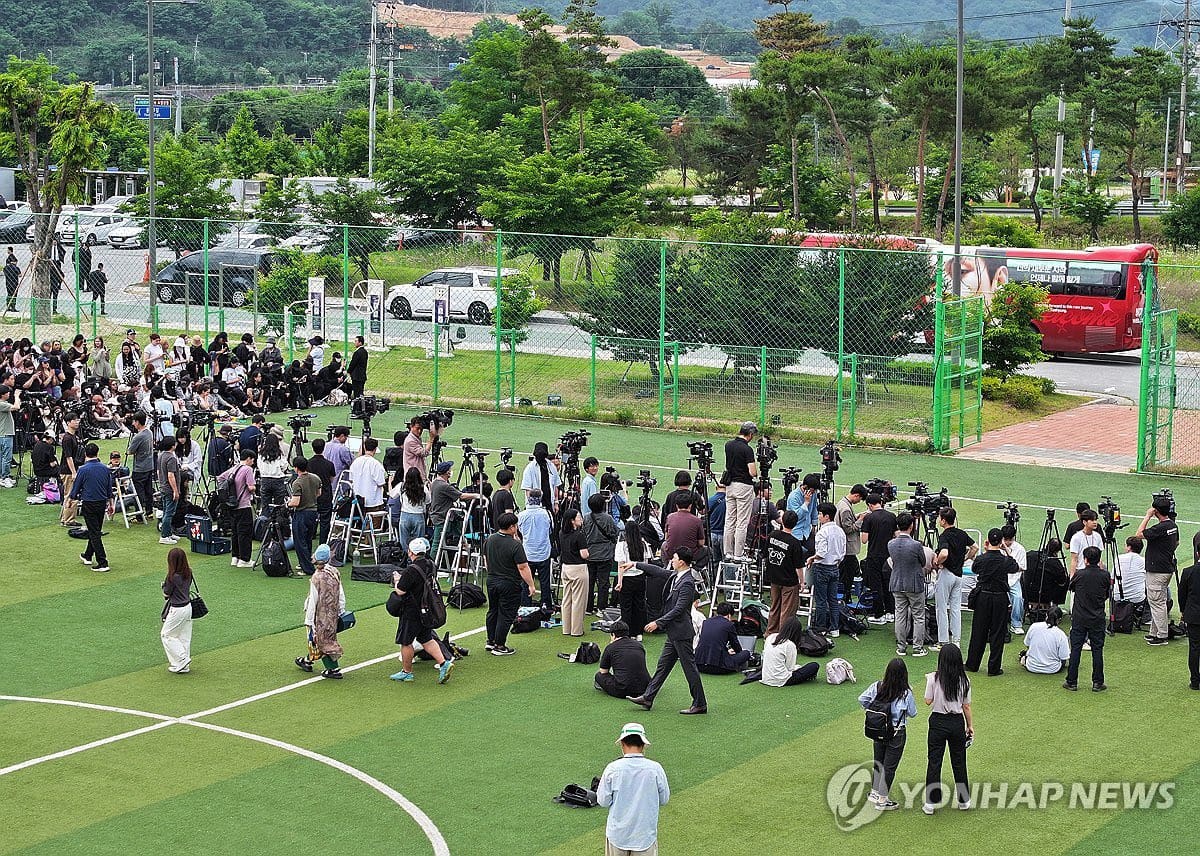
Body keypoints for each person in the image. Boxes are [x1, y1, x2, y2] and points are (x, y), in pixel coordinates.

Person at [628, 546, 708, 715]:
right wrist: (636, 564)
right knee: (663, 666)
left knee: (690, 669)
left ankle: (700, 703)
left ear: (681, 562)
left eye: (674, 557)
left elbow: (679, 609)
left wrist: (658, 622)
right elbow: (657, 571)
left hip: (681, 632)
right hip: (674, 632)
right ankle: (648, 697)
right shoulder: (676, 576)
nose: (671, 559)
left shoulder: (687, 582)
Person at [388, 538, 454, 684]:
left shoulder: (411, 570)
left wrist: (398, 579)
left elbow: (400, 591)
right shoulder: (431, 564)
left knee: (406, 642)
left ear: (411, 552)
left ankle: (407, 672)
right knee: (426, 638)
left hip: (412, 611)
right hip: (427, 609)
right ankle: (444, 663)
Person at [596, 723, 669, 856]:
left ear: (622, 743)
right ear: (643, 745)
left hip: (617, 835)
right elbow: (664, 800)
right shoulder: (655, 768)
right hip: (644, 836)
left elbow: (603, 801)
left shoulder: (612, 768)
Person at [858, 658, 918, 810]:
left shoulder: (877, 686)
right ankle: (882, 800)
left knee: (879, 761)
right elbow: (913, 713)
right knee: (889, 767)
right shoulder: (906, 693)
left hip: (879, 729)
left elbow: (862, 699)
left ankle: (874, 792)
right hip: (897, 733)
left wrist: (872, 710)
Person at [923, 643, 973, 814]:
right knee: (959, 761)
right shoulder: (965, 680)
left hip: (937, 722)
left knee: (934, 761)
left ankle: (930, 803)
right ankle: (964, 800)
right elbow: (966, 706)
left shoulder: (933, 678)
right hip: (956, 722)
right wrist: (970, 726)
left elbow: (927, 701)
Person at [965, 529, 1019, 677]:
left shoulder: (982, 559)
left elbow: (975, 568)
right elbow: (1015, 566)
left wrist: (985, 550)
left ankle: (972, 663)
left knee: (978, 631)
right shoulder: (1005, 560)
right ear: (1001, 541)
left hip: (983, 596)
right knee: (998, 632)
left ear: (988, 541)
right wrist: (1007, 550)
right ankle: (994, 668)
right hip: (1000, 598)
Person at [483, 512, 537, 656]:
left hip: (492, 581)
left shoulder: (490, 540)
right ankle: (500, 645)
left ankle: (491, 640)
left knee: (493, 610)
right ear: (512, 527)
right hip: (508, 583)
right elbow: (523, 567)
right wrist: (531, 585)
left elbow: (486, 561)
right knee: (506, 614)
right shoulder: (515, 545)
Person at [1064, 546, 1112, 692]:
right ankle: (1097, 682)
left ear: (1085, 560)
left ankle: (1072, 681)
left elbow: (1070, 587)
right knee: (1097, 650)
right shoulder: (1105, 575)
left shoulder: (1079, 575)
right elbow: (1106, 594)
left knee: (1076, 649)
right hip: (1097, 617)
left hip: (1080, 617)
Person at [296, 544, 345, 679]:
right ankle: (307, 660)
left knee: (321, 641)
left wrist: (309, 619)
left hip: (320, 616)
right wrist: (341, 610)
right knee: (326, 639)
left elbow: (313, 600)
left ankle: (333, 669)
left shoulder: (316, 577)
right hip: (332, 613)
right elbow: (341, 594)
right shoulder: (335, 572)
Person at [1136, 497, 1179, 646]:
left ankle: (1161, 635)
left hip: (1157, 570)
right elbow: (1177, 543)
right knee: (1157, 601)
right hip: (1166, 568)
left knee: (1157, 602)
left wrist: (1147, 516)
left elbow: (1139, 534)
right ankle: (1154, 632)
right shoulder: (1172, 525)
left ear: (1156, 511)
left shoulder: (1160, 528)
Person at [933, 507, 976, 649]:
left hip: (946, 574)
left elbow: (944, 553)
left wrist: (937, 562)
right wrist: (963, 559)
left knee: (941, 608)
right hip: (958, 575)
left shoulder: (944, 536)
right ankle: (956, 640)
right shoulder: (962, 534)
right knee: (955, 608)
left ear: (943, 520)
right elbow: (974, 548)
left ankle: (943, 641)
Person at [889, 512, 930, 658]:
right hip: (913, 584)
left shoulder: (891, 544)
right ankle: (918, 648)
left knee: (900, 615)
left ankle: (901, 647)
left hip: (897, 583)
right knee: (918, 616)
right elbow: (923, 562)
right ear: (911, 526)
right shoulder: (916, 545)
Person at [71, 442, 114, 573]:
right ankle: (88, 555)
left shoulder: (83, 470)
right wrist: (111, 503)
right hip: (101, 503)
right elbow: (109, 489)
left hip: (89, 503)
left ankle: (102, 561)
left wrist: (70, 500)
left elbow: (76, 489)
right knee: (94, 529)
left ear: (85, 454)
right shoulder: (105, 468)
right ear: (97, 453)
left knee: (94, 532)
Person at [742, 616, 820, 686]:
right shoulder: (790, 645)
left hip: (765, 677)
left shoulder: (771, 637)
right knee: (814, 665)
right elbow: (790, 668)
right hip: (782, 680)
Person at [806, 502, 846, 637]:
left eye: (820, 514)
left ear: (827, 516)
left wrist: (812, 558)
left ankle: (821, 628)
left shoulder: (822, 532)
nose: (818, 517)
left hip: (822, 568)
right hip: (834, 568)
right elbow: (843, 553)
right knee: (833, 599)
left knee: (821, 600)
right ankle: (835, 629)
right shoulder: (840, 531)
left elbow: (821, 553)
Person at [764, 510, 805, 637]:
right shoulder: (794, 542)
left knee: (774, 607)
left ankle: (770, 633)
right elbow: (799, 566)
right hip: (789, 581)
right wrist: (802, 582)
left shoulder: (772, 535)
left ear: (782, 520)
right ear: (796, 524)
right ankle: (782, 636)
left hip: (774, 577)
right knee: (787, 611)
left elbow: (765, 555)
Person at [722, 421, 758, 558]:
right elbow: (752, 472)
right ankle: (738, 553)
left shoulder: (728, 445)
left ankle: (728, 552)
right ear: (750, 434)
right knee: (741, 522)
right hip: (744, 486)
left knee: (729, 520)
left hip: (730, 485)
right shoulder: (747, 449)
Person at [428, 460, 480, 554]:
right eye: (450, 469)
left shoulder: (435, 482)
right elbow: (461, 496)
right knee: (437, 544)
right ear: (447, 472)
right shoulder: (443, 486)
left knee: (457, 535)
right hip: (442, 517)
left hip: (441, 516)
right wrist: (477, 495)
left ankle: (464, 546)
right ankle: (431, 564)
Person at [861, 493, 898, 624]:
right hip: (889, 556)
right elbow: (897, 535)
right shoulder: (892, 516)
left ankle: (879, 614)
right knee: (888, 583)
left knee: (876, 585)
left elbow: (864, 540)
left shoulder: (869, 518)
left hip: (873, 556)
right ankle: (891, 612)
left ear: (870, 505)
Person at [518, 489, 555, 610]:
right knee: (545, 582)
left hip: (528, 553)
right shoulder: (546, 514)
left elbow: (520, 532)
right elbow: (551, 530)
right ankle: (546, 606)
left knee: (526, 582)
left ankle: (525, 606)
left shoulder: (522, 515)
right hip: (543, 552)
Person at [160, 547, 195, 674]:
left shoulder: (171, 577)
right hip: (188, 607)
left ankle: (182, 658)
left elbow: (166, 593)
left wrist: (163, 587)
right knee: (184, 636)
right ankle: (181, 665)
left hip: (177, 609)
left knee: (167, 634)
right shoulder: (188, 572)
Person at [596, 621, 650, 699]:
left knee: (599, 676)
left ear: (613, 635)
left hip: (622, 689)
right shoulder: (639, 645)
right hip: (645, 688)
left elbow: (603, 671)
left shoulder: (610, 648)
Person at [584, 492, 619, 614]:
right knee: (603, 582)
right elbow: (615, 533)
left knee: (589, 581)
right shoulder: (607, 518)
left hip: (589, 554)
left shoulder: (586, 518)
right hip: (605, 554)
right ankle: (601, 607)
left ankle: (588, 607)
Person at [694, 602, 752, 675]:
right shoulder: (729, 625)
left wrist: (727, 651)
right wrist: (738, 653)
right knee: (746, 653)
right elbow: (735, 645)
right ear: (729, 615)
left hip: (698, 664)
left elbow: (711, 641)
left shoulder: (706, 622)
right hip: (718, 667)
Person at [222, 449, 257, 568]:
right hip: (243, 505)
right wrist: (253, 489)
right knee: (245, 533)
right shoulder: (248, 470)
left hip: (232, 505)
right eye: (252, 460)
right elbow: (251, 487)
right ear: (248, 458)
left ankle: (235, 557)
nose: (253, 462)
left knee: (235, 532)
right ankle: (245, 559)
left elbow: (220, 478)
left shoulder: (234, 468)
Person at [288, 456, 322, 576]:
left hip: (302, 513)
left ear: (296, 468)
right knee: (308, 539)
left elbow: (296, 502)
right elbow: (319, 493)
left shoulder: (297, 483)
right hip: (313, 512)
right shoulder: (315, 478)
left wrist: (288, 503)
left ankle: (306, 567)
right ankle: (307, 562)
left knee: (300, 541)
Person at [560, 507, 591, 637]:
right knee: (579, 600)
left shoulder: (562, 533)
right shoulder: (579, 535)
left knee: (567, 599)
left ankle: (566, 628)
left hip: (566, 568)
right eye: (578, 517)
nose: (581, 519)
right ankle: (577, 630)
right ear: (573, 521)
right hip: (578, 568)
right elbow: (584, 554)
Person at [835, 484, 867, 600]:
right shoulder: (846, 509)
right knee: (848, 575)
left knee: (848, 572)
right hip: (848, 547)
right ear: (856, 495)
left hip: (845, 547)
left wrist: (857, 517)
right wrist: (860, 521)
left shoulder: (843, 503)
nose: (859, 502)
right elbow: (848, 529)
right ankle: (846, 596)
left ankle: (845, 595)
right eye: (860, 499)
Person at [1019, 607, 1070, 675]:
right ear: (1059, 619)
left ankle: (1024, 658)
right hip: (1053, 669)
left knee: (1027, 652)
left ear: (1046, 615)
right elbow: (1064, 657)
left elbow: (1027, 645)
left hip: (1032, 666)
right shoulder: (1061, 634)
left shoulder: (1034, 626)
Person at [391, 466, 428, 557]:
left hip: (405, 515)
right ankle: (417, 560)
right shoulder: (423, 488)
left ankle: (405, 559)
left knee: (404, 542)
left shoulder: (402, 486)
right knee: (419, 544)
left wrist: (390, 483)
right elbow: (428, 501)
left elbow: (392, 495)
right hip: (418, 516)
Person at [660, 493, 705, 567]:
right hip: (690, 554)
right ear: (690, 505)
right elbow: (701, 543)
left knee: (663, 545)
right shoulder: (697, 520)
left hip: (672, 552)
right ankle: (697, 568)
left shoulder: (670, 517)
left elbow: (666, 537)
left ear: (677, 505)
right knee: (709, 551)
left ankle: (665, 567)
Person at [307, 437, 336, 545]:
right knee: (325, 521)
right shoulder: (329, 464)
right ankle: (323, 542)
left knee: (311, 517)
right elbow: (332, 478)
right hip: (325, 494)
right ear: (323, 448)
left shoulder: (308, 463)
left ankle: (311, 535)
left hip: (312, 495)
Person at [1177, 556, 1200, 690]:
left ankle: (1195, 681)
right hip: (1193, 613)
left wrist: (1183, 611)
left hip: (1193, 614)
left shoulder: (1188, 571)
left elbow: (1182, 594)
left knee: (1194, 647)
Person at [153, 436, 181, 544]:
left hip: (163, 487)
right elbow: (171, 475)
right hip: (169, 489)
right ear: (172, 445)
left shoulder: (161, 456)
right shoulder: (171, 458)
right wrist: (175, 490)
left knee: (166, 511)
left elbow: (159, 472)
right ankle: (164, 536)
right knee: (169, 513)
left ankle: (168, 532)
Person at [1112, 535, 1148, 620]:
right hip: (1137, 599)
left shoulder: (1119, 558)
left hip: (1117, 597)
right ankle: (1146, 617)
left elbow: (1112, 578)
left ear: (1129, 547)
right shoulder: (1144, 561)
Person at [58, 412, 84, 526]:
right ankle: (68, 520)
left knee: (71, 494)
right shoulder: (67, 438)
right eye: (75, 420)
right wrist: (74, 472)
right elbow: (68, 457)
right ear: (68, 423)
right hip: (68, 471)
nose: (77, 422)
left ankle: (66, 517)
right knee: (70, 495)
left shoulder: (74, 437)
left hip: (72, 469)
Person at [1000, 524, 1027, 634]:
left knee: (1018, 597)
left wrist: (1013, 567)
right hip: (1000, 579)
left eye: (1009, 540)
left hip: (1013, 580)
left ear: (1014, 538)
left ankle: (1016, 623)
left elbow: (1022, 567)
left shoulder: (1020, 549)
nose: (1007, 542)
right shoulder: (996, 546)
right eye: (1005, 539)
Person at [521, 441, 561, 512]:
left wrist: (556, 503)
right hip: (535, 506)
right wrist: (532, 505)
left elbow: (555, 486)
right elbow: (528, 490)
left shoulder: (551, 466)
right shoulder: (529, 468)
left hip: (549, 503)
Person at [348, 437, 386, 511]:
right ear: (375, 449)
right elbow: (381, 483)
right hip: (373, 502)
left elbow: (351, 479)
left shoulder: (355, 462)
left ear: (364, 447)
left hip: (358, 501)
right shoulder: (376, 464)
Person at [1068, 510, 1102, 575]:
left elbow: (1099, 559)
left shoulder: (1098, 536)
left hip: (1095, 571)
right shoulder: (1076, 537)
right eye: (1092, 520)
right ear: (1084, 522)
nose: (1095, 522)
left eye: (1095, 520)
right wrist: (1072, 576)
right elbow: (1074, 559)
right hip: (1081, 571)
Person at [0, 383, 20, 488]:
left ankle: (2, 477)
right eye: (8, 393)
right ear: (3, 394)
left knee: (2, 457)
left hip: (3, 434)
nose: (9, 394)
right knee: (6, 457)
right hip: (5, 434)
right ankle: (5, 477)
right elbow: (16, 407)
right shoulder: (2, 404)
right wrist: (17, 396)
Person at [707, 481, 727, 550]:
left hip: (713, 533)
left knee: (715, 559)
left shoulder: (710, 500)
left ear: (716, 487)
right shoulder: (730, 501)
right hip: (725, 534)